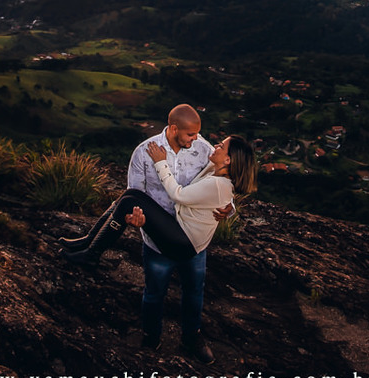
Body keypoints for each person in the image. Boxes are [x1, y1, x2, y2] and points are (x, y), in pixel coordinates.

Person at [59, 105, 247, 363]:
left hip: (191, 239)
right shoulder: (144, 152)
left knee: (194, 293)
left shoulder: (204, 150)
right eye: (191, 134)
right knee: (153, 293)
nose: (198, 139)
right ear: (174, 129)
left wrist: (229, 207)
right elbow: (135, 192)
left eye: (198, 134)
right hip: (158, 239)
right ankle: (151, 338)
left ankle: (191, 338)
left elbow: (223, 184)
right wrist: (137, 219)